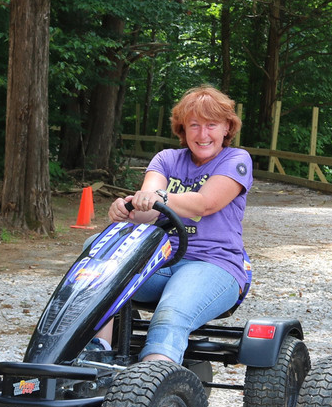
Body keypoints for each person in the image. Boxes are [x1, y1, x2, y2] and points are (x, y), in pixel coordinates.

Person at [101, 86, 253, 363]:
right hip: (161, 263)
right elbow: (149, 212)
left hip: (212, 265)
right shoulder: (167, 159)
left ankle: (153, 377)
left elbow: (205, 204)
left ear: (227, 128)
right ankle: (94, 357)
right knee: (99, 256)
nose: (202, 134)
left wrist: (159, 196)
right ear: (183, 128)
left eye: (211, 125)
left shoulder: (236, 160)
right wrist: (130, 210)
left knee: (171, 313)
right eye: (194, 125)